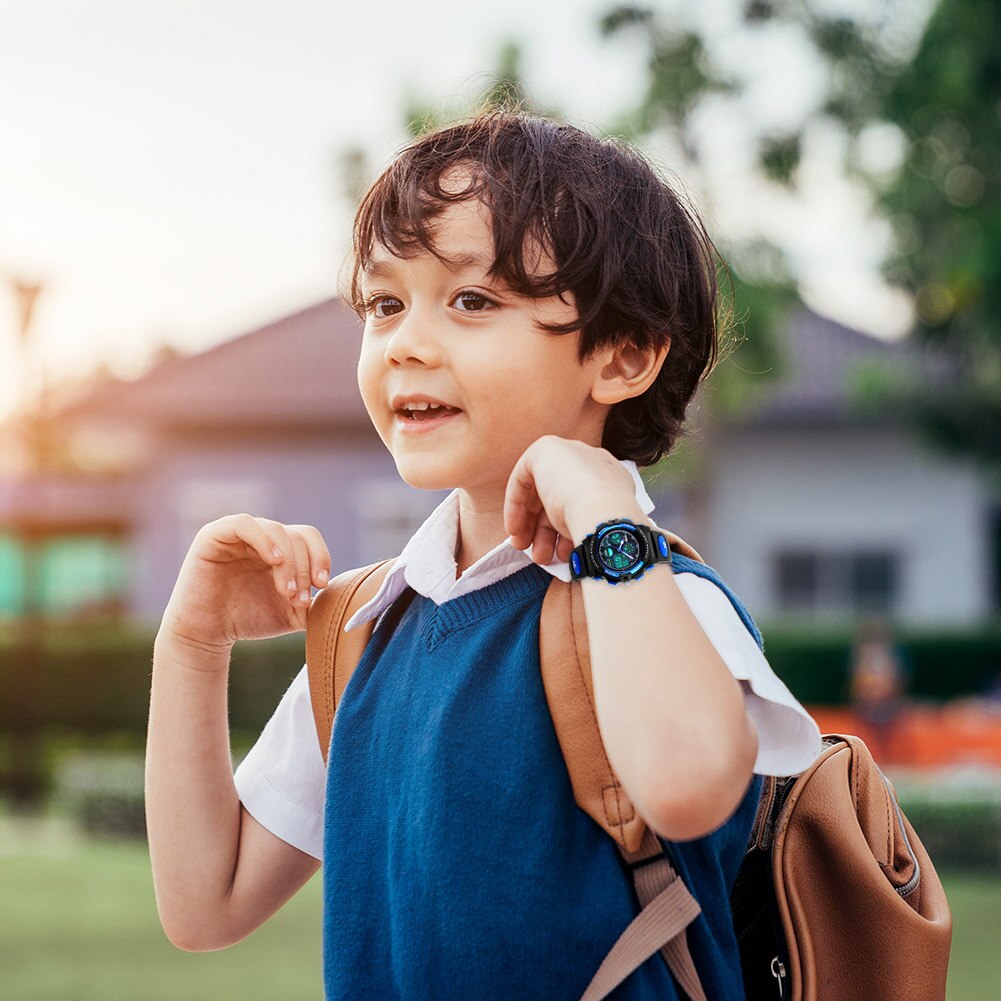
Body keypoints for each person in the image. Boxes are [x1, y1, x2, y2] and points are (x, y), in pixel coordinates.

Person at [145, 106, 824, 1000]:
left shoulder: (650, 593)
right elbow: (207, 903)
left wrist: (605, 514)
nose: (405, 344)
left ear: (621, 356)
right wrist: (191, 643)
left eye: (472, 300)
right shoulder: (363, 631)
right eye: (384, 304)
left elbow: (690, 786)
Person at [846, 615, 910, 765]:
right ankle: (866, 757)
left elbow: (897, 679)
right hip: (867, 700)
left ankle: (889, 757)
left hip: (887, 700)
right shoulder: (860, 653)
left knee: (888, 730)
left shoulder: (893, 653)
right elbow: (857, 680)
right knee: (868, 730)